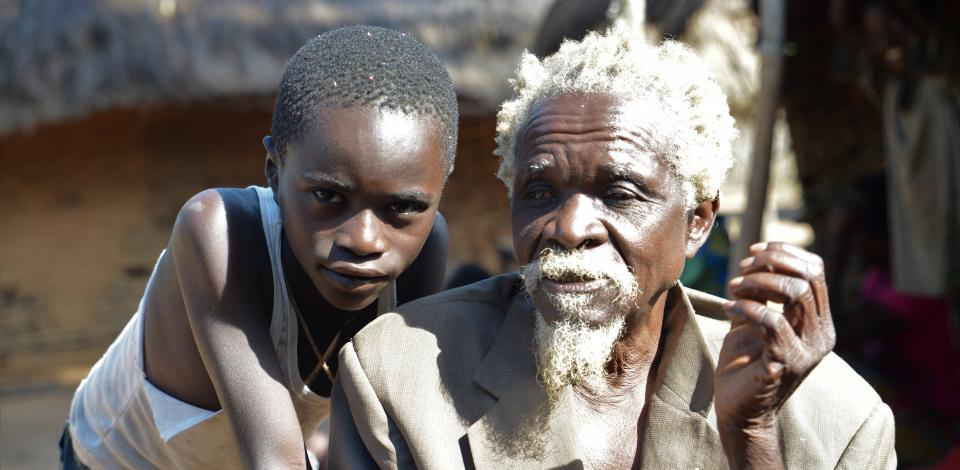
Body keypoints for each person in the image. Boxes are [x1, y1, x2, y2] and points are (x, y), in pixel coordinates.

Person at [328, 25, 896, 469]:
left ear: (697, 221)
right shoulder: (401, 376)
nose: (570, 228)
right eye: (540, 191)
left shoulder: (837, 419)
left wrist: (751, 439)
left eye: (618, 194)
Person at [61, 25, 458, 469]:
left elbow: (381, 434)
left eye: (403, 206)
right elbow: (275, 459)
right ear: (274, 171)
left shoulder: (424, 254)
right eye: (328, 197)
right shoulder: (218, 234)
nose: (364, 240)